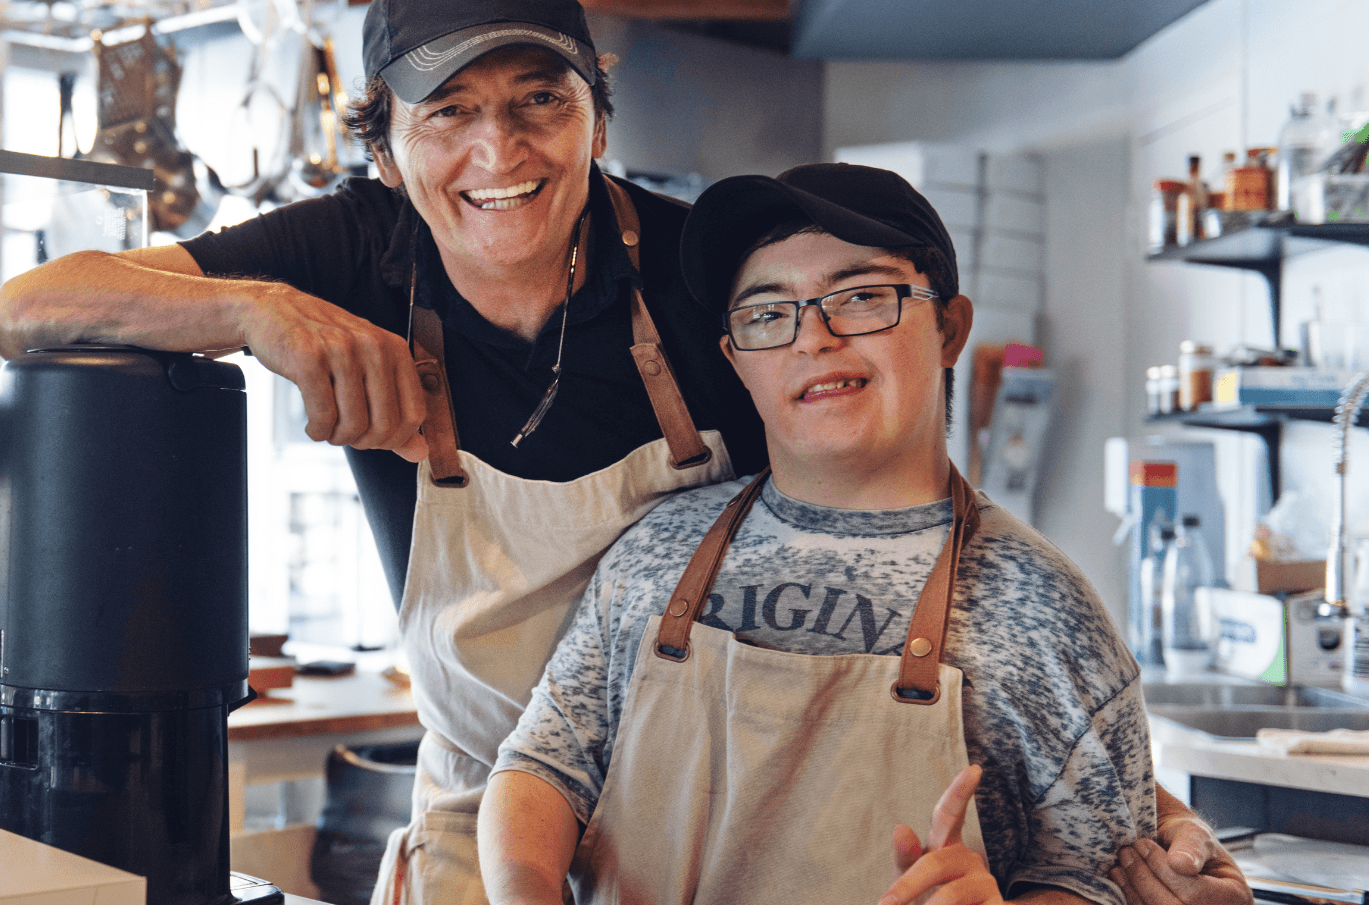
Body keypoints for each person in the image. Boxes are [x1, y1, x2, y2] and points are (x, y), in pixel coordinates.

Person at [0, 0, 1241, 904]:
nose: (500, 152)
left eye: (541, 99)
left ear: (596, 112)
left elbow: (925, 571)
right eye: (448, 111)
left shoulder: (711, 281)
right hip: (489, 810)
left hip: (700, 804)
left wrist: (1134, 819)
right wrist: (255, 310)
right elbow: (25, 308)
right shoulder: (352, 253)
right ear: (387, 150)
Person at [478, 165, 1243, 905]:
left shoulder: (1045, 609)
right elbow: (543, 768)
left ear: (949, 328)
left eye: (862, 297)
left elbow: (1100, 879)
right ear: (735, 360)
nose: (813, 338)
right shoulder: (653, 555)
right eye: (767, 314)